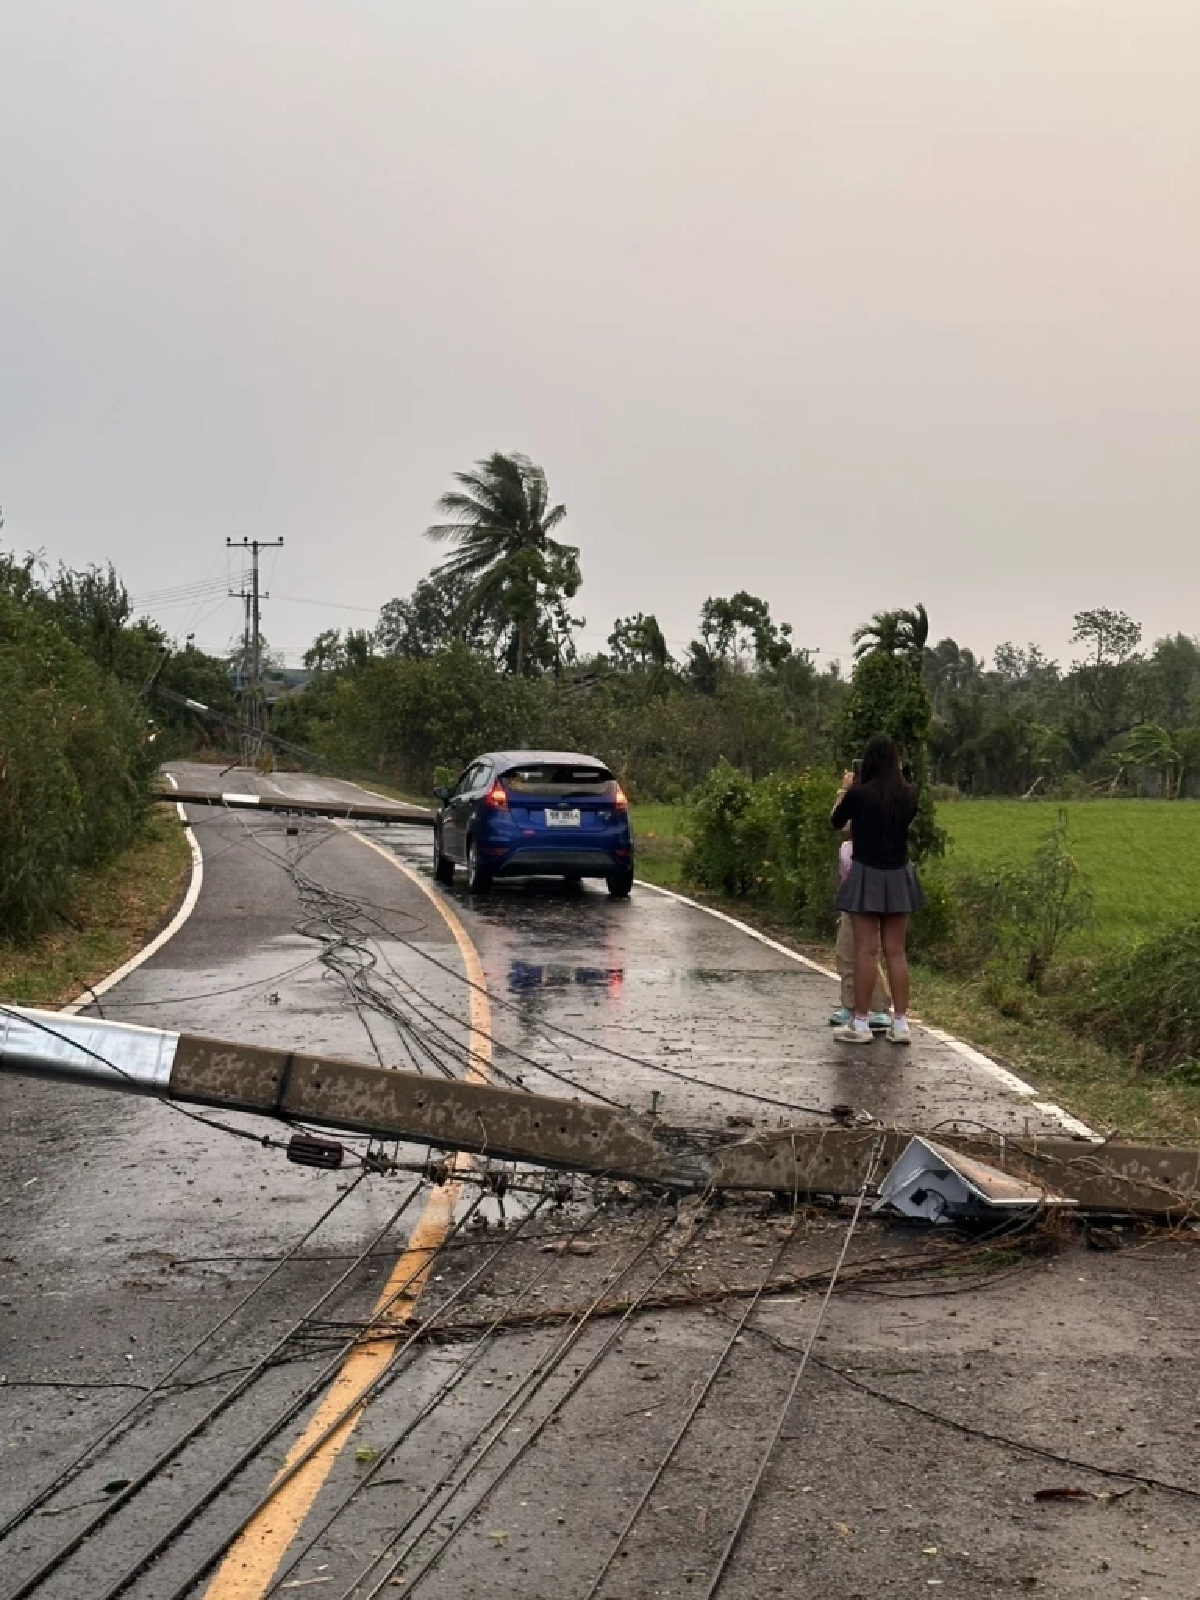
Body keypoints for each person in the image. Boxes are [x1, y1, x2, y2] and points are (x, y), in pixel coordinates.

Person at [828, 734, 926, 1045]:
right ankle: (901, 1023)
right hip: (898, 874)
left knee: (866, 951)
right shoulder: (909, 795)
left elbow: (836, 821)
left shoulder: (859, 795)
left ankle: (860, 1023)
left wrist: (847, 790)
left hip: (867, 872)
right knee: (896, 951)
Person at [831, 836, 892, 1031]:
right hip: (850, 906)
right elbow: (843, 878)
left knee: (868, 956)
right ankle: (849, 1004)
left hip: (870, 905)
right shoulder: (845, 848)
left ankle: (880, 1008)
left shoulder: (875, 845)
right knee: (845, 954)